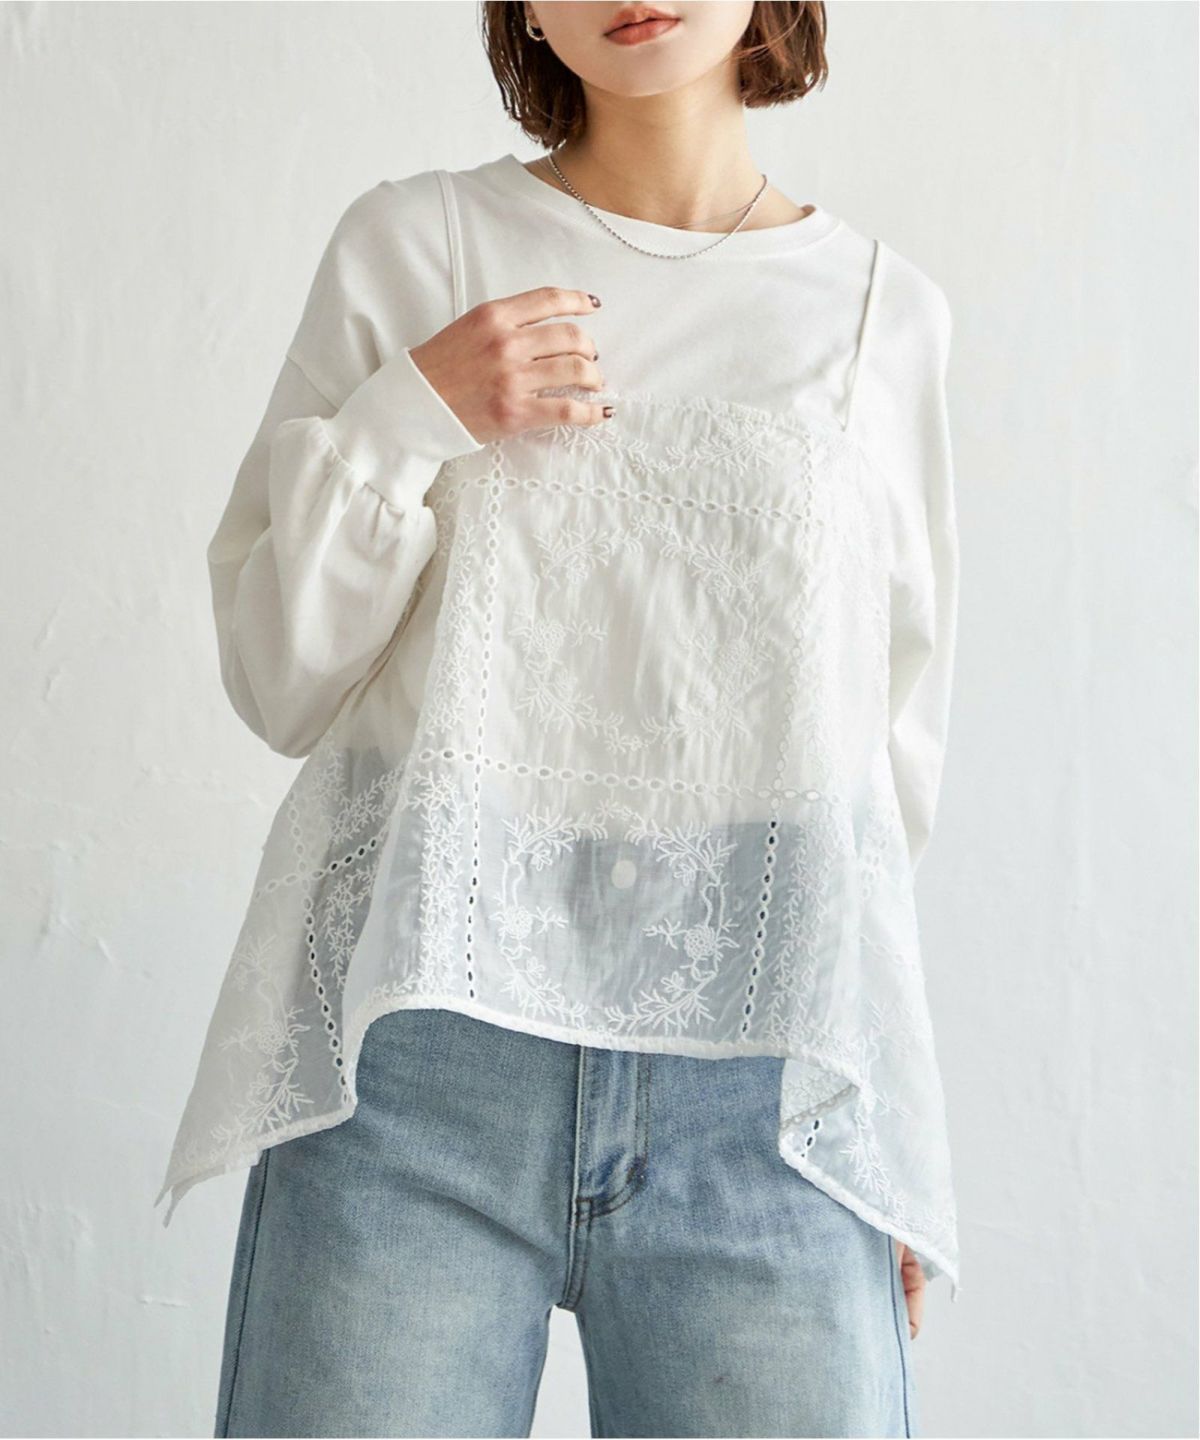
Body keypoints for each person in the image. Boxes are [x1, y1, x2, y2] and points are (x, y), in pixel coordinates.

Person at [156, 3, 962, 1435]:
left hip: (762, 1093)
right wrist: (412, 413)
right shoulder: (416, 247)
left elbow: (881, 774)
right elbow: (280, 678)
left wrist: (880, 1129)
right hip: (420, 1065)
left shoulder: (878, 315)